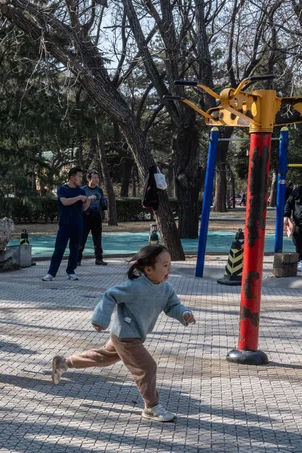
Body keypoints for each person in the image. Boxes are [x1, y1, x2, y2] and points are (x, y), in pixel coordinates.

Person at [50, 244, 196, 423]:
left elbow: (173, 306)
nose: (169, 269)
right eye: (165, 265)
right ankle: (151, 407)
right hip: (126, 335)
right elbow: (110, 295)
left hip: (130, 335)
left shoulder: (166, 288)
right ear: (148, 269)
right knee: (147, 367)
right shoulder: (135, 287)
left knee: (102, 357)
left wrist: (184, 313)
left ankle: (63, 363)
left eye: (170, 264)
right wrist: (100, 319)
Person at [43, 166, 97, 281]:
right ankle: (51, 273)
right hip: (65, 223)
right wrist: (79, 197)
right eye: (79, 176)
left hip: (78, 223)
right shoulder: (62, 189)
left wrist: (88, 200)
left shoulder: (81, 191)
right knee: (59, 248)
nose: (81, 179)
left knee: (75, 249)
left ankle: (71, 271)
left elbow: (84, 208)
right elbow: (64, 202)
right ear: (72, 177)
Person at [79, 170, 109, 265]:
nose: (96, 180)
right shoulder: (83, 190)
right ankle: (77, 259)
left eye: (97, 178)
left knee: (97, 238)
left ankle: (99, 259)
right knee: (82, 238)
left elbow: (103, 203)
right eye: (94, 178)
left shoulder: (99, 190)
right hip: (85, 217)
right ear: (88, 179)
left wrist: (106, 215)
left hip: (96, 216)